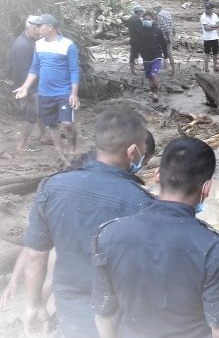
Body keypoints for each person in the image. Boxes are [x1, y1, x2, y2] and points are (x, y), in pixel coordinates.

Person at [20, 108, 154, 337]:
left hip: (70, 308)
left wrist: (33, 306)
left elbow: (35, 255)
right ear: (133, 152)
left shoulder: (52, 186)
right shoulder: (142, 202)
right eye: (143, 148)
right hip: (120, 314)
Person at [92, 137, 219, 338]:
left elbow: (104, 314)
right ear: (207, 188)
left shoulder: (108, 234)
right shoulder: (213, 246)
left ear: (157, 175)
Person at [14, 14, 80, 163]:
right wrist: (25, 87)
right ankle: (60, 152)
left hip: (64, 92)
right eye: (35, 27)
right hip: (45, 93)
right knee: (52, 124)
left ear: (50, 27)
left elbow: (74, 70)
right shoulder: (39, 45)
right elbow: (34, 68)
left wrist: (74, 94)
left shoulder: (68, 45)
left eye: (39, 26)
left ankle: (73, 148)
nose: (37, 29)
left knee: (67, 124)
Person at [7, 16, 45, 152]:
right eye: (37, 29)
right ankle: (22, 145)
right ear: (29, 28)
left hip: (31, 85)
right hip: (28, 87)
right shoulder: (24, 45)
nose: (39, 32)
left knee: (40, 111)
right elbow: (22, 71)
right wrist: (28, 89)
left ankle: (43, 136)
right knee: (30, 116)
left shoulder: (26, 41)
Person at [132, 11, 168, 103]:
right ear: (142, 20)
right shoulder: (139, 31)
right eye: (145, 19)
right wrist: (135, 57)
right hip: (146, 58)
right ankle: (152, 92)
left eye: (149, 19)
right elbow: (136, 45)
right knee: (149, 78)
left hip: (156, 56)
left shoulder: (157, 31)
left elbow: (163, 44)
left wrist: (165, 57)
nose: (147, 21)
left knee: (153, 74)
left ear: (152, 20)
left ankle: (156, 93)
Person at [153, 5, 176, 75]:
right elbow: (173, 25)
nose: (155, 11)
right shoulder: (167, 13)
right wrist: (172, 34)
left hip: (165, 35)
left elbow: (165, 27)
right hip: (170, 34)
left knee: (167, 52)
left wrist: (165, 35)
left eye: (155, 9)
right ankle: (167, 66)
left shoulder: (159, 15)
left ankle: (172, 69)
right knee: (168, 51)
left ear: (158, 8)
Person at [200, 3, 219, 73]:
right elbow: (206, 28)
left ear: (212, 9)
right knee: (207, 53)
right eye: (207, 8)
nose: (208, 10)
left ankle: (215, 66)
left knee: (215, 53)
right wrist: (215, 26)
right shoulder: (203, 16)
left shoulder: (215, 15)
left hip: (215, 37)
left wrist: (212, 26)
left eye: (209, 8)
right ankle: (206, 68)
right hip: (207, 38)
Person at [127, 5, 146, 75]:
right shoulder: (137, 20)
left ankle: (132, 71)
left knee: (133, 55)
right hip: (139, 41)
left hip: (132, 39)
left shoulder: (130, 19)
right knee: (145, 54)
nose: (143, 14)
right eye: (142, 12)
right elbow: (140, 31)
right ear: (139, 12)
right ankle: (146, 68)